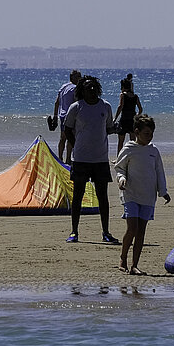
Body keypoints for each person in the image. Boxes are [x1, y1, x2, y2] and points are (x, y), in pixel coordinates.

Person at [62, 75, 117, 244]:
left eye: (94, 87)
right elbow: (67, 128)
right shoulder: (76, 107)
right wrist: (75, 144)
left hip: (100, 159)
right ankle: (74, 232)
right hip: (80, 159)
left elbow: (108, 128)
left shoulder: (105, 106)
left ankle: (106, 232)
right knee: (77, 196)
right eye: (88, 88)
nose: (91, 90)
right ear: (82, 91)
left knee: (103, 196)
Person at [115, 114, 170, 275]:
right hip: (130, 194)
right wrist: (122, 179)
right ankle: (123, 257)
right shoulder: (129, 149)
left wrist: (163, 191)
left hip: (148, 196)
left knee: (141, 231)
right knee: (132, 228)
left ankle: (134, 265)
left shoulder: (153, 151)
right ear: (136, 132)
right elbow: (119, 167)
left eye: (151, 134)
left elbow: (159, 171)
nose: (149, 137)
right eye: (146, 133)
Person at [52, 70, 82, 164]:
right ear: (72, 78)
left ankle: (60, 158)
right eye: (78, 77)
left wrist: (55, 116)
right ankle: (68, 159)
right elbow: (76, 102)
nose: (80, 79)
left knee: (63, 138)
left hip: (62, 115)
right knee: (70, 137)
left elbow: (57, 102)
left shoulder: (63, 87)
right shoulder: (75, 88)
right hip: (70, 115)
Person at [113, 73, 143, 157]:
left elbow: (120, 107)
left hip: (124, 120)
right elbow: (140, 109)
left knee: (120, 142)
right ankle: (133, 157)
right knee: (133, 141)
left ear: (122, 87)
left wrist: (115, 118)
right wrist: (137, 116)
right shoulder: (135, 96)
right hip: (132, 120)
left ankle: (119, 158)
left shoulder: (123, 95)